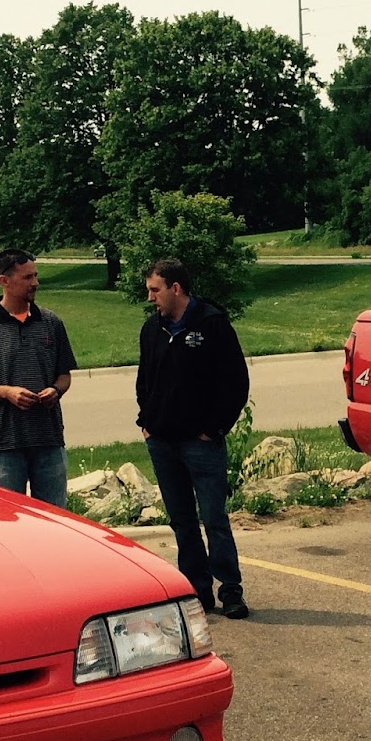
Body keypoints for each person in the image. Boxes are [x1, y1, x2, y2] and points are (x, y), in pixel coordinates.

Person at [136, 258, 251, 619]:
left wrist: (214, 428)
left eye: (155, 290)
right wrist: (147, 422)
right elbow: (144, 381)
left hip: (201, 443)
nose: (150, 297)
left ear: (176, 288)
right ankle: (197, 591)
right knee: (182, 521)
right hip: (162, 441)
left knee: (214, 518)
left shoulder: (212, 324)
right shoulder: (151, 329)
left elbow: (236, 383)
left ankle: (230, 589)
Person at [0, 247, 76, 507]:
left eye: (35, 276)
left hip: (48, 439)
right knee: (6, 518)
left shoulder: (51, 322)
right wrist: (7, 392)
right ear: (4, 280)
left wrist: (56, 391)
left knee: (54, 518)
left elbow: (64, 376)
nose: (35, 283)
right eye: (27, 277)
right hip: (4, 444)